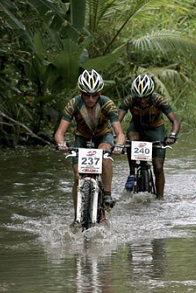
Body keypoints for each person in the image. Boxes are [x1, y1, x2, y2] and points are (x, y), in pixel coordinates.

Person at [54, 69, 126, 216]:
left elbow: (119, 133)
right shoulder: (73, 104)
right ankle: (77, 215)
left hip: (102, 135)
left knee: (103, 155)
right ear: (81, 93)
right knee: (76, 176)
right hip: (82, 137)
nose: (90, 99)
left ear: (100, 93)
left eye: (94, 95)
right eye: (87, 95)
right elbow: (60, 133)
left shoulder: (107, 104)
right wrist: (61, 143)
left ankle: (107, 194)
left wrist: (118, 145)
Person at [118, 75, 180, 199]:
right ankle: (132, 174)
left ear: (151, 94)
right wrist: (118, 138)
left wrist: (172, 136)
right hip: (137, 128)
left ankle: (160, 198)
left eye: (145, 97)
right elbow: (116, 121)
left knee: (158, 166)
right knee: (132, 141)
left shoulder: (159, 100)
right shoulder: (128, 100)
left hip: (155, 129)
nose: (142, 101)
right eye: (138, 98)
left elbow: (175, 121)